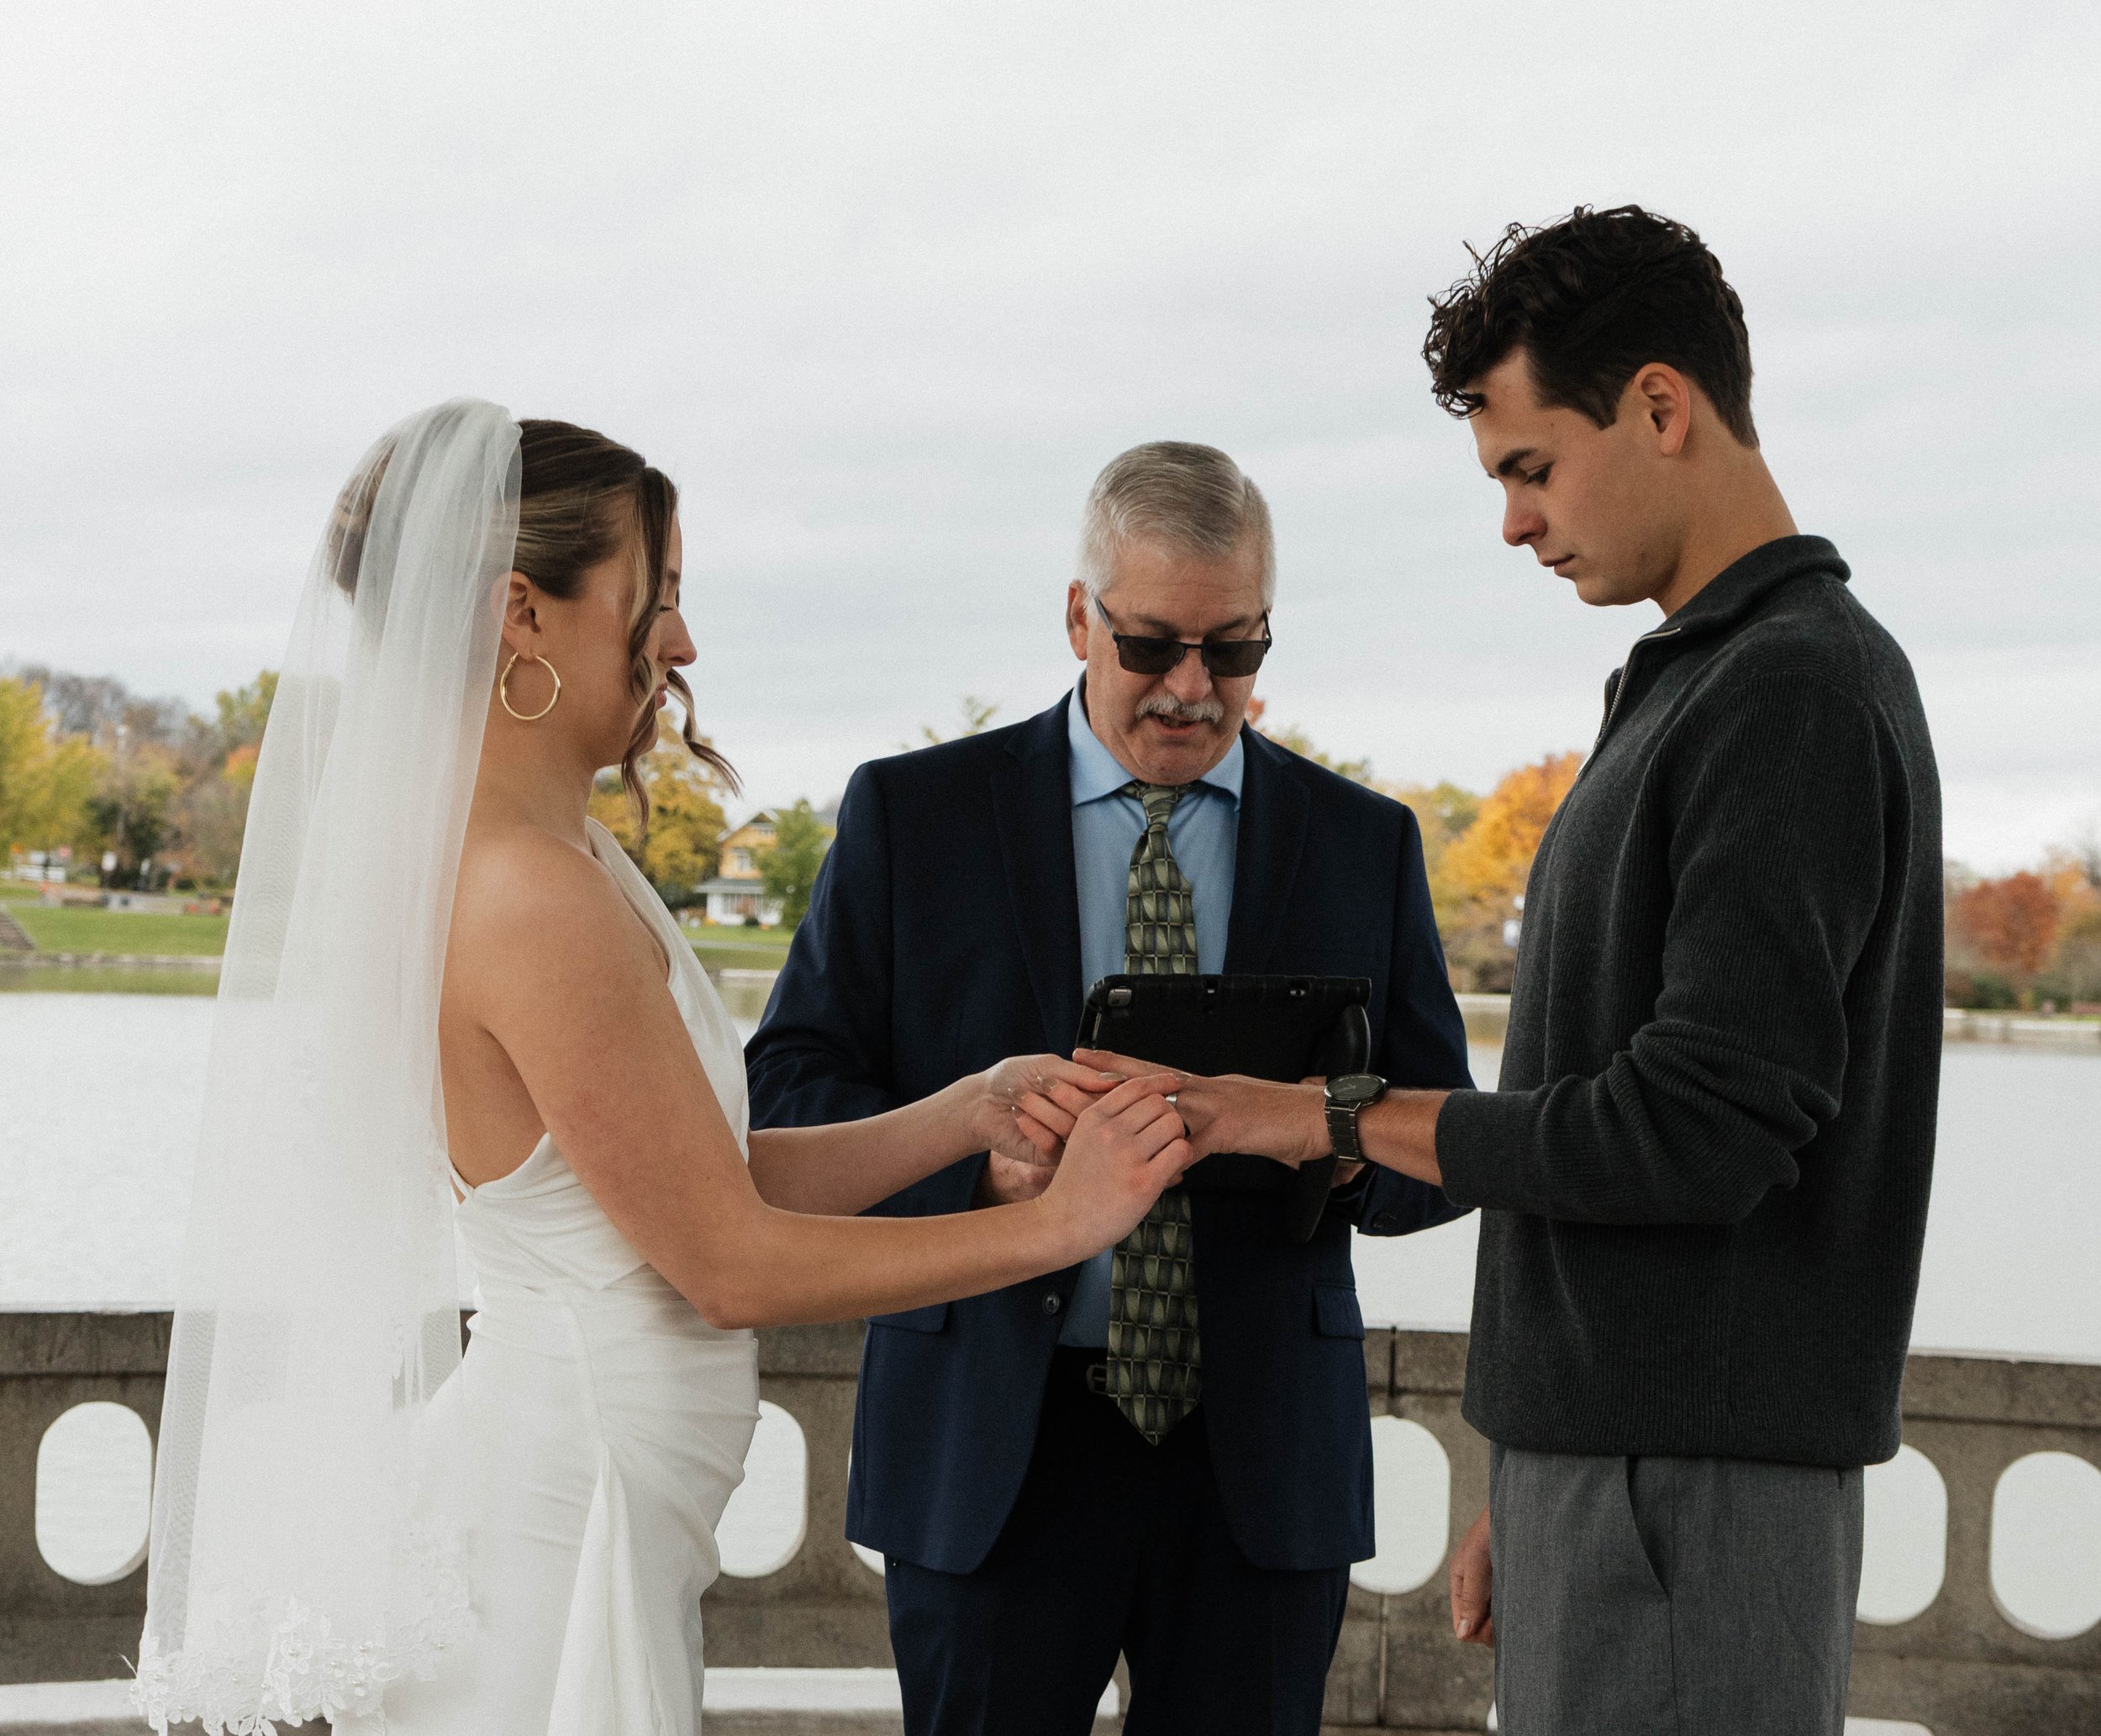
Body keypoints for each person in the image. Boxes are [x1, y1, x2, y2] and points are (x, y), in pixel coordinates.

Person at [134, 402, 1193, 1736]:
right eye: (659, 592)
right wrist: (1056, 1225)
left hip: (607, 1501)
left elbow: (701, 1176)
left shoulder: (561, 856)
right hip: (560, 1523)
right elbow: (726, 1261)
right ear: (523, 609)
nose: (684, 640)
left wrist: (963, 1109)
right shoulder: (527, 897)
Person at [1088, 209, 1944, 1735]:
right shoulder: (1700, 681)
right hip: (1622, 1482)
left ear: (1661, 406)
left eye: (1528, 467)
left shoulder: (1793, 687)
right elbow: (1600, 1129)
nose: (1513, 522)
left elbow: (1694, 1127)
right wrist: (1535, 1463)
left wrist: (1322, 1115)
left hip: (1689, 1500)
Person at [746, 440, 1472, 1734]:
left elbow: (1447, 1141)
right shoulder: (914, 815)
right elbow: (791, 1098)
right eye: (1152, 644)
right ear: (1078, 616)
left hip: (1259, 1471)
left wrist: (1332, 1141)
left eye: (1235, 650)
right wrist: (981, 1166)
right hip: (993, 1458)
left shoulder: (1366, 841)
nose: (1195, 689)